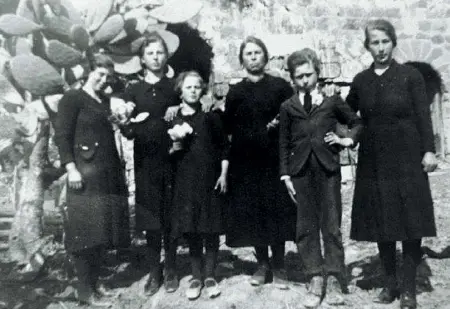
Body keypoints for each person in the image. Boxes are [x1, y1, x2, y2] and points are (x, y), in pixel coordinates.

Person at [347, 19, 438, 309]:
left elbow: (423, 116)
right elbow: (347, 113)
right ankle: (390, 285)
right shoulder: (361, 80)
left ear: (393, 42)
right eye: (375, 42)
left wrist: (429, 151)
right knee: (382, 220)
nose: (381, 48)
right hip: (374, 160)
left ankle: (409, 290)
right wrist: (344, 135)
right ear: (367, 46)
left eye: (385, 41)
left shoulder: (410, 76)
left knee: (411, 222)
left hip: (408, 157)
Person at [279, 48, 362, 307]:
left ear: (318, 73)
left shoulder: (332, 100)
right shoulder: (288, 106)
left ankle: (336, 275)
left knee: (331, 223)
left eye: (309, 74)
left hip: (328, 170)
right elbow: (282, 142)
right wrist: (285, 175)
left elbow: (356, 123)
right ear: (293, 79)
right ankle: (314, 275)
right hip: (300, 171)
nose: (305, 80)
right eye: (299, 76)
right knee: (305, 225)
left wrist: (345, 140)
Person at [54, 54, 130, 307]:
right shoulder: (72, 98)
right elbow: (62, 136)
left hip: (106, 173)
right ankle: (84, 291)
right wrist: (71, 168)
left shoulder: (105, 101)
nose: (103, 79)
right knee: (85, 232)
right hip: (83, 174)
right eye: (99, 74)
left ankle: (96, 285)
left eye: (108, 76)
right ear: (89, 72)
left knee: (101, 231)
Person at [223, 36, 296, 289]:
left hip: (274, 159)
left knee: (277, 209)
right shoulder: (235, 92)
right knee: (254, 211)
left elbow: (293, 116)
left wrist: (277, 126)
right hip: (246, 161)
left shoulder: (280, 87)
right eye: (248, 54)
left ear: (265, 57)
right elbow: (228, 127)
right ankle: (262, 264)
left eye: (257, 53)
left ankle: (279, 264)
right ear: (242, 60)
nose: (253, 57)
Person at [120, 31, 180, 296]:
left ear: (166, 55)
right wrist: (124, 123)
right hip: (146, 162)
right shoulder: (133, 89)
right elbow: (130, 131)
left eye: (159, 53)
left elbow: (191, 112)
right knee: (151, 218)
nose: (156, 58)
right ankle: (154, 272)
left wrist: (178, 112)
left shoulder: (176, 85)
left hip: (175, 160)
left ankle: (171, 269)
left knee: (171, 216)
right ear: (142, 59)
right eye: (150, 54)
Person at [168, 71, 229, 300]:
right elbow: (168, 155)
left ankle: (210, 275)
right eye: (188, 87)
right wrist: (174, 148)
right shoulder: (173, 119)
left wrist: (223, 174)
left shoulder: (210, 117)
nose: (193, 90)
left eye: (196, 87)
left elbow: (224, 147)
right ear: (180, 91)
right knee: (192, 228)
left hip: (209, 177)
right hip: (185, 180)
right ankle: (196, 276)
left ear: (202, 90)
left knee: (210, 226)